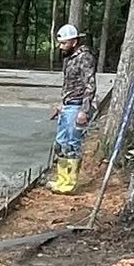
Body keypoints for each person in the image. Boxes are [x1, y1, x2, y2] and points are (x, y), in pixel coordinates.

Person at [50, 23, 97, 193]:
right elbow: (70, 85)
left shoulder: (84, 58)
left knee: (71, 146)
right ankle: (61, 180)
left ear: (74, 42)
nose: (61, 47)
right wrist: (62, 105)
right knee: (61, 144)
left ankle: (69, 183)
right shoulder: (69, 58)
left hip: (77, 107)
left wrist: (84, 110)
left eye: (64, 43)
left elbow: (90, 85)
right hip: (68, 106)